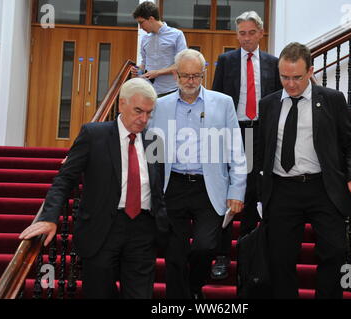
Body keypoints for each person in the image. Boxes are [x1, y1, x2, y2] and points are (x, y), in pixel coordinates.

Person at [19, 78, 169, 299]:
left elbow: (157, 188)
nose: (144, 119)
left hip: (143, 230)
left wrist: (162, 226)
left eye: (149, 112)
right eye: (138, 111)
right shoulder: (93, 135)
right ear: (122, 104)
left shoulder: (154, 140)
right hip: (102, 230)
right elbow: (65, 179)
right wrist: (49, 217)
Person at [257, 42, 351, 299]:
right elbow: (260, 148)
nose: (290, 84)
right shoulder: (268, 104)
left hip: (322, 188)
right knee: (280, 258)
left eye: (296, 77)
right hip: (282, 189)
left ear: (310, 72)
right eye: (284, 77)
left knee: (334, 251)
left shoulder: (331, 100)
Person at [149, 48, 247, 299]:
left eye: (196, 76)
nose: (190, 81)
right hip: (173, 187)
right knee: (174, 255)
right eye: (185, 76)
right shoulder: (160, 106)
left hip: (209, 187)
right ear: (175, 75)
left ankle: (192, 289)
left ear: (204, 74)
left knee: (206, 246)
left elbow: (237, 149)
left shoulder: (223, 103)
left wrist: (237, 190)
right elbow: (151, 151)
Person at [210, 11, 282, 280]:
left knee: (253, 192)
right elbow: (216, 99)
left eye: (252, 32)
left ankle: (247, 254)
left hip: (261, 133)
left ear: (261, 33)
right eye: (242, 33)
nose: (247, 38)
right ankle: (221, 255)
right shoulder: (226, 61)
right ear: (236, 34)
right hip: (233, 131)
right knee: (227, 190)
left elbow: (277, 102)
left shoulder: (273, 63)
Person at [132, 1, 187, 97]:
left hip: (170, 91)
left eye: (141, 23)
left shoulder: (177, 35)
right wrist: (138, 70)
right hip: (147, 91)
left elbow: (182, 64)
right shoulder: (145, 39)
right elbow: (144, 63)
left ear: (151, 19)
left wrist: (157, 73)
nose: (140, 27)